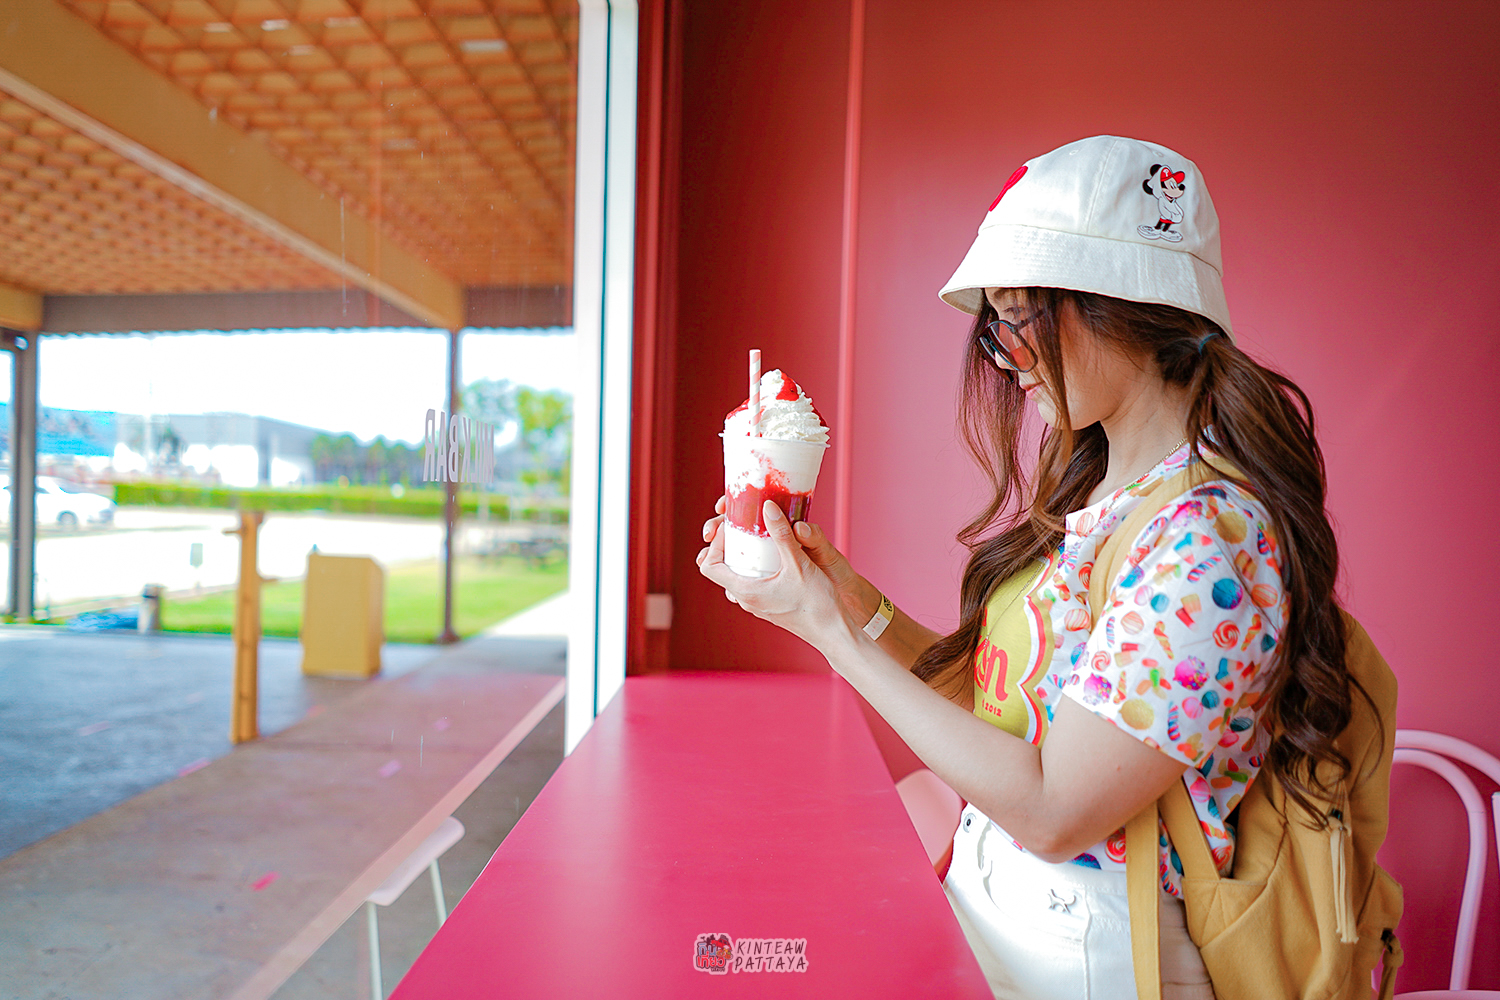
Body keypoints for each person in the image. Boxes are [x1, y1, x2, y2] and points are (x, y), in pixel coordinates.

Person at [697, 135, 1366, 1000]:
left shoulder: (1210, 538)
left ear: (1124, 305)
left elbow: (1055, 812)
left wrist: (829, 634)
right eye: (996, 328)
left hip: (1092, 954)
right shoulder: (1108, 492)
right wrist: (847, 602)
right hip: (1016, 915)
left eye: (1021, 319)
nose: (1006, 358)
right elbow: (1003, 712)